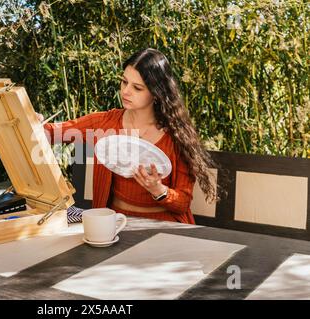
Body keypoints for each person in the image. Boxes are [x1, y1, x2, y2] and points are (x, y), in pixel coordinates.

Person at [38, 48, 217, 224]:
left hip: (165, 226)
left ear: (157, 93)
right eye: (124, 82)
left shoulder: (177, 135)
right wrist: (34, 123)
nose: (125, 91)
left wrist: (158, 189)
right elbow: (50, 133)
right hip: (115, 223)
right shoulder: (105, 122)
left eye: (137, 88)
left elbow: (183, 203)